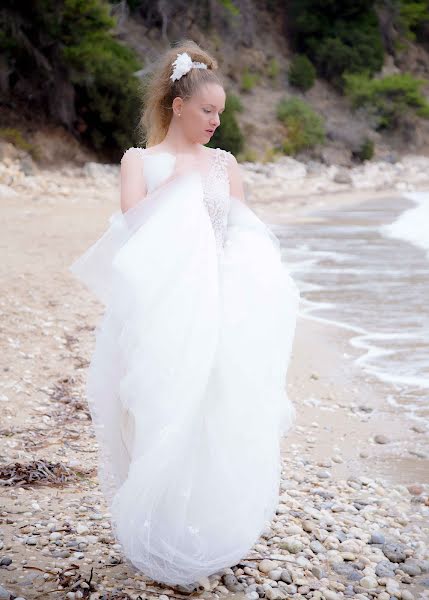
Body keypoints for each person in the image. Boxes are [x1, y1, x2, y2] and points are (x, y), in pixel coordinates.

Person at [69, 39, 300, 592]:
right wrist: (173, 187)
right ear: (178, 105)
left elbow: (242, 238)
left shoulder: (224, 166)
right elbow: (130, 233)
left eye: (220, 113)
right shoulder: (140, 162)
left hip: (216, 306)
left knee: (212, 412)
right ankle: (157, 525)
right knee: (155, 411)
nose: (216, 122)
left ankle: (204, 526)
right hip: (156, 312)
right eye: (207, 111)